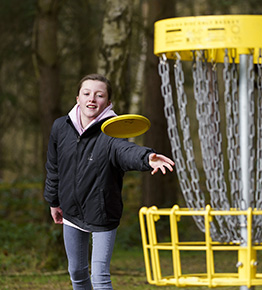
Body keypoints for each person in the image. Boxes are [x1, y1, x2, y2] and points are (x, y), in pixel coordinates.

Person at [43, 73, 174, 290]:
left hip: (102, 212)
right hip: (71, 211)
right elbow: (53, 167)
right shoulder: (60, 127)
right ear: (78, 98)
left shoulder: (112, 131)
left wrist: (147, 157)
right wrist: (53, 201)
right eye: (86, 93)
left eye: (99, 95)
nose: (92, 99)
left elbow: (126, 151)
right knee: (76, 272)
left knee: (99, 276)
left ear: (108, 103)